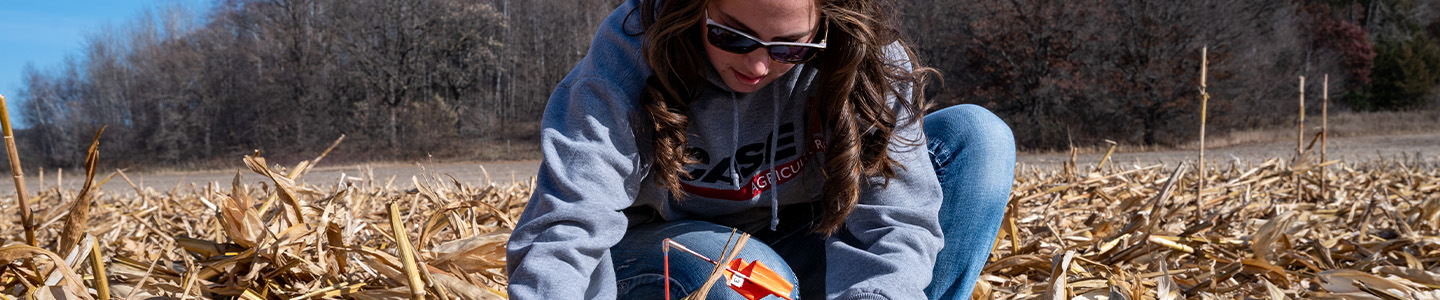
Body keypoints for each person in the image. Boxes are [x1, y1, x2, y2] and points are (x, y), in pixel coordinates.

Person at [504, 0, 1015, 298]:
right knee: (731, 268)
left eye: (790, 48)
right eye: (733, 37)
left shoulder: (869, 58)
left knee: (979, 138)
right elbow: (569, 220)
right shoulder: (631, 48)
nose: (758, 67)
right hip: (672, 251)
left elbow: (897, 222)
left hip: (813, 236)